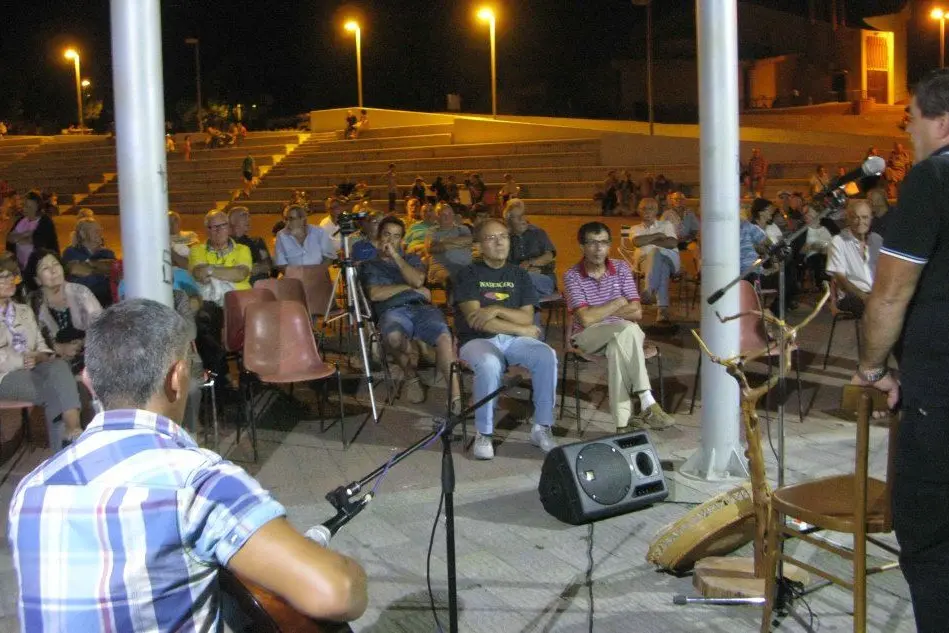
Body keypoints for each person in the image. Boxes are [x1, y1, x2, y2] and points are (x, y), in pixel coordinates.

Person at [7, 299, 368, 630]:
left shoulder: (32, 488)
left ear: (87, 381)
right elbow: (338, 593)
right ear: (177, 378)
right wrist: (348, 567)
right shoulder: (198, 482)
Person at [851, 69, 949, 633]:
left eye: (911, 117)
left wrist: (871, 367)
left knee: (930, 538)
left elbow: (890, 291)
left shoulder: (934, 178)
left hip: (940, 394)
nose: (907, 129)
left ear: (940, 121)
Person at [454, 219, 558, 460]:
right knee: (489, 363)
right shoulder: (468, 274)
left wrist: (495, 309)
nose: (500, 241)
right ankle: (484, 432)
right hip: (477, 340)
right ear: (479, 245)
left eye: (504, 236)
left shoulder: (519, 274)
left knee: (546, 355)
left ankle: (542, 426)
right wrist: (521, 329)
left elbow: (527, 315)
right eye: (491, 238)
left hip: (512, 340)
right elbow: (476, 320)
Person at [563, 222, 675, 432]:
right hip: (588, 336)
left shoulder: (622, 268)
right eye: (592, 243)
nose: (598, 249)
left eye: (604, 243)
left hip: (621, 333)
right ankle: (647, 400)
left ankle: (622, 425)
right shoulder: (572, 275)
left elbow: (637, 312)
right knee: (630, 329)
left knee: (619, 346)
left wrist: (599, 311)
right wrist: (617, 303)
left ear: (609, 246)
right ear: (582, 246)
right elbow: (586, 320)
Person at [362, 216, 460, 409]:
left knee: (444, 337)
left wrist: (397, 258)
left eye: (396, 236)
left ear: (402, 240)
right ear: (379, 236)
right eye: (387, 234)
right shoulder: (369, 265)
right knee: (393, 337)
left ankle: (456, 397)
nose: (390, 240)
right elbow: (375, 294)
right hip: (392, 310)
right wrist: (410, 288)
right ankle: (411, 376)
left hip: (421, 308)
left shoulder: (411, 259)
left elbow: (417, 280)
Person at [0, 266, 81, 450]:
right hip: (4, 377)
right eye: (2, 278)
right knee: (58, 391)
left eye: (10, 275)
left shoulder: (24, 311)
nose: (9, 280)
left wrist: (40, 356)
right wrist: (22, 360)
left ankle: (72, 431)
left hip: (35, 368)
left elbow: (41, 344)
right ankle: (71, 437)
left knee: (59, 366)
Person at [26, 248, 102, 375]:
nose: (53, 270)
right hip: (53, 365)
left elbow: (101, 326)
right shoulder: (33, 303)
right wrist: (58, 349)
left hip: (90, 357)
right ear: (37, 280)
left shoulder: (80, 292)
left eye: (56, 264)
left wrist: (83, 343)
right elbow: (30, 342)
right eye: (45, 268)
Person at [826, 200, 882, 318]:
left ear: (871, 218)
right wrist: (864, 296)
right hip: (851, 296)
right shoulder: (838, 241)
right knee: (879, 311)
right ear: (848, 219)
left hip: (877, 294)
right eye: (855, 217)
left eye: (865, 217)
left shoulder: (877, 239)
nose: (860, 222)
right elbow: (841, 280)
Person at [629, 197, 680, 323]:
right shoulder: (635, 228)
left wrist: (647, 240)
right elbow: (637, 241)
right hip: (644, 263)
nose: (647, 212)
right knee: (660, 265)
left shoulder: (666, 225)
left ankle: (649, 289)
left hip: (670, 260)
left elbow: (672, 243)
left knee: (655, 252)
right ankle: (662, 310)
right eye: (643, 208)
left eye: (651, 209)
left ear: (656, 211)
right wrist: (658, 236)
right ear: (638, 211)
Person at [503, 199, 557, 297]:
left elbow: (549, 256)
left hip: (543, 277)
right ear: (509, 221)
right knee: (527, 293)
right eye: (518, 217)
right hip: (518, 281)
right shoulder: (506, 239)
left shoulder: (538, 232)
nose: (523, 219)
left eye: (523, 215)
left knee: (525, 282)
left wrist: (530, 263)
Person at [61, 216, 116, 307]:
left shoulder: (108, 253)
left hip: (106, 305)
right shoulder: (71, 253)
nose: (100, 234)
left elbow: (114, 278)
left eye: (100, 230)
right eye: (95, 231)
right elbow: (77, 284)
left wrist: (88, 268)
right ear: (83, 234)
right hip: (81, 305)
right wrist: (103, 271)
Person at [5, 190, 60, 271]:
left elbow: (38, 242)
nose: (24, 209)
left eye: (28, 207)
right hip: (20, 268)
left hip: (41, 268)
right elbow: (9, 239)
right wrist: (26, 235)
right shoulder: (21, 220)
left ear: (37, 206)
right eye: (24, 206)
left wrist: (19, 237)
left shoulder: (45, 221)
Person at [274, 204, 337, 269]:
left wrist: (317, 273)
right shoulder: (281, 235)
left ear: (302, 219)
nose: (287, 223)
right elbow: (280, 263)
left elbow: (329, 256)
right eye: (286, 219)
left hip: (318, 275)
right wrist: (293, 276)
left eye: (291, 219)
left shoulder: (319, 232)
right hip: (293, 277)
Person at [425, 202, 472, 286]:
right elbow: (432, 248)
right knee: (456, 279)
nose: (447, 217)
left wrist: (443, 242)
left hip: (465, 265)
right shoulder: (432, 230)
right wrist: (460, 242)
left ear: (454, 215)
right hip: (441, 267)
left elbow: (469, 240)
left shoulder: (462, 229)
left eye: (450, 213)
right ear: (437, 217)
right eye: (443, 214)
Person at [228, 206, 274, 285]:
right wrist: (248, 269)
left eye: (249, 216)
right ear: (232, 221)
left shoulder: (257, 242)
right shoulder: (226, 243)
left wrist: (258, 268)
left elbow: (268, 264)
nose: (248, 219)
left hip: (260, 285)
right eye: (243, 215)